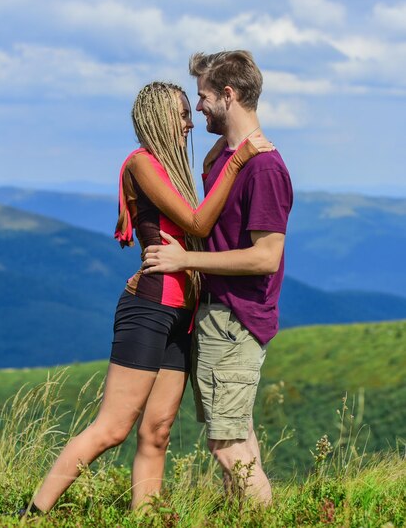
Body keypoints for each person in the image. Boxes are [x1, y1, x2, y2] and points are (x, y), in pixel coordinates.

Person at [20, 81, 272, 517]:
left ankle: (147, 520)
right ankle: (30, 515)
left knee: (157, 431)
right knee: (112, 428)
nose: (190, 123)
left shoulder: (170, 170)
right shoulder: (141, 164)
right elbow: (196, 221)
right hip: (149, 309)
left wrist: (217, 164)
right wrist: (238, 162)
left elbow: (199, 227)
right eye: (181, 115)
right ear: (158, 117)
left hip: (182, 315)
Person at [142, 52, 293, 505]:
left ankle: (266, 517)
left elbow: (266, 257)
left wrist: (185, 261)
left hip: (234, 319)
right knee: (239, 436)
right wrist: (224, 148)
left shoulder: (264, 168)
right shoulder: (229, 159)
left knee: (225, 444)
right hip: (222, 317)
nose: (198, 108)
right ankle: (242, 515)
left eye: (204, 97)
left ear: (229, 94)